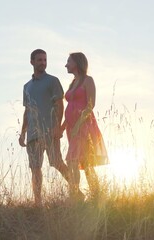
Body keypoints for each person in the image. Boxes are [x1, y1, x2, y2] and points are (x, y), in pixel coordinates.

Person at [19, 49, 70, 205]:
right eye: (39, 60)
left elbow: (59, 104)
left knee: (56, 162)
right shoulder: (26, 86)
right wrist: (23, 133)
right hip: (33, 134)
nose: (43, 62)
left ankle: (76, 190)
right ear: (32, 62)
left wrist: (57, 127)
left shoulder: (52, 81)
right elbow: (27, 110)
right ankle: (38, 203)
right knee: (35, 168)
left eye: (45, 60)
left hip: (49, 130)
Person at [61, 52, 108, 200]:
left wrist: (78, 125)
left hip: (84, 126)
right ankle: (93, 196)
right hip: (72, 128)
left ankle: (77, 197)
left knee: (74, 160)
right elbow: (69, 108)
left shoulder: (88, 80)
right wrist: (62, 128)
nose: (66, 64)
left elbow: (90, 105)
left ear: (77, 62)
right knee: (84, 162)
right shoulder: (73, 82)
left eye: (68, 61)